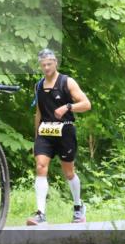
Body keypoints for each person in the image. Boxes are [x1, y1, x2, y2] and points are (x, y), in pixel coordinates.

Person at [28, 49, 91, 225]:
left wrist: (68, 107)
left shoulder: (67, 82)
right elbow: (39, 112)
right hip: (45, 133)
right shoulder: (39, 85)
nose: (46, 67)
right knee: (41, 167)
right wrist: (36, 136)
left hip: (65, 131)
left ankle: (78, 207)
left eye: (49, 64)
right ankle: (40, 213)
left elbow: (86, 104)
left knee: (68, 172)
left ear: (56, 62)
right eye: (43, 65)